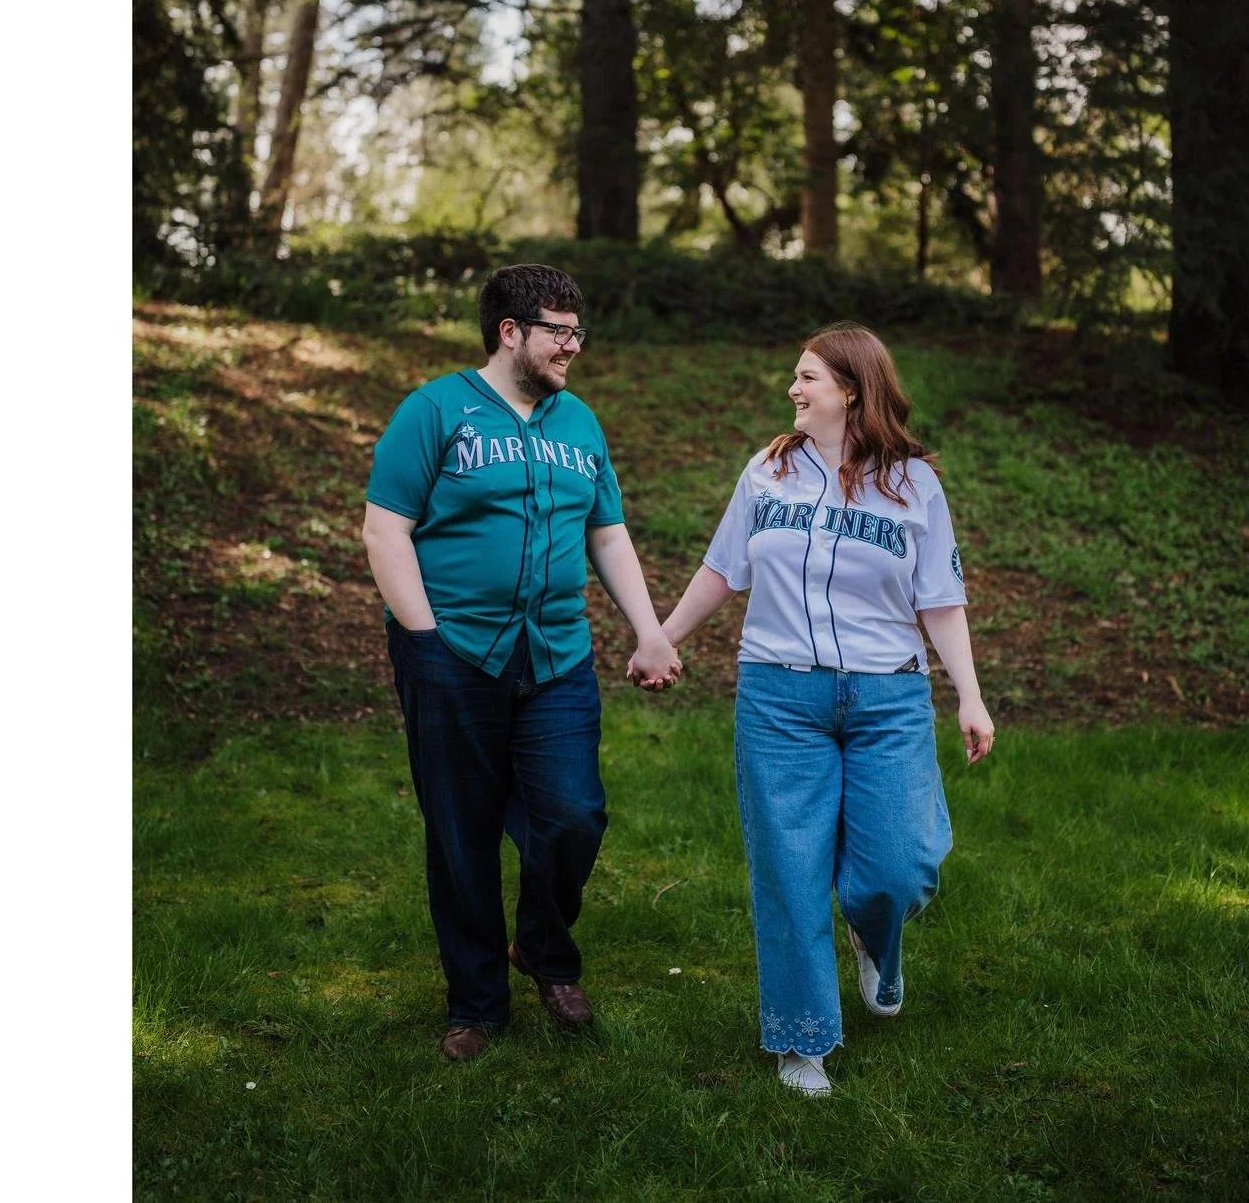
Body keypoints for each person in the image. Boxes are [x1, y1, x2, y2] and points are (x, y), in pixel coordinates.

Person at [656, 323, 994, 1097]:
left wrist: (969, 695)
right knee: (790, 871)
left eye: (807, 377)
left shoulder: (914, 484)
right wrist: (662, 638)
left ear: (851, 389)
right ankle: (801, 1041)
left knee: (901, 865)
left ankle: (874, 935)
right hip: (779, 697)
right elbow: (723, 569)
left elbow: (940, 599)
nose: (793, 389)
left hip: (888, 697)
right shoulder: (767, 471)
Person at [363, 263, 680, 1062]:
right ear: (510, 332)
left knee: (573, 816)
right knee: (461, 833)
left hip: (557, 656)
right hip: (452, 652)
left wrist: (649, 631)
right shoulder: (435, 411)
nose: (573, 346)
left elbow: (606, 532)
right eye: (558, 332)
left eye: (577, 331)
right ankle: (476, 1004)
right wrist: (423, 638)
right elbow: (386, 528)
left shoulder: (580, 423)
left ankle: (541, 948)